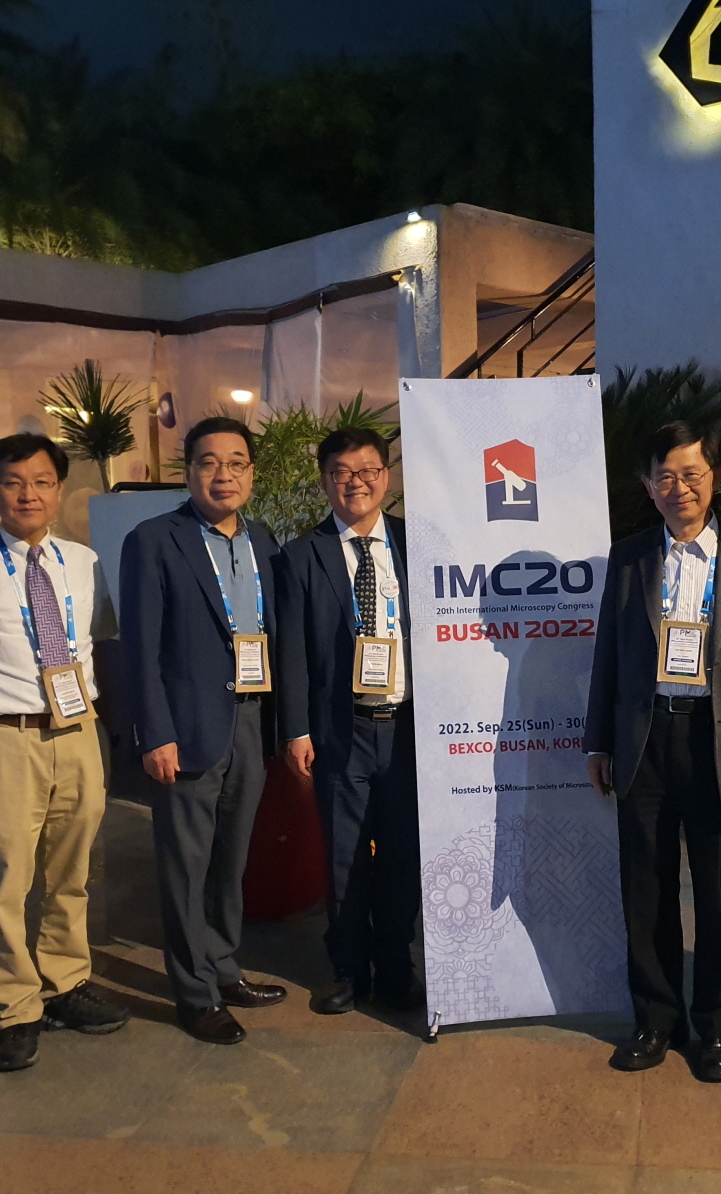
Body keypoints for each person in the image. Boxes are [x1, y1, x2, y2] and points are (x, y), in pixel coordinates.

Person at [0, 433, 131, 1073]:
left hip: (78, 732)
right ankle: (15, 1008)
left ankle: (66, 983)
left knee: (73, 873)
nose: (28, 494)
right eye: (13, 482)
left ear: (60, 490)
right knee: (5, 882)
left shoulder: (84, 562)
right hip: (2, 738)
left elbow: (98, 648)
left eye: (41, 482)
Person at [585, 421, 721, 1081]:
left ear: (713, 477)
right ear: (648, 486)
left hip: (718, 739)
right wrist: (597, 742)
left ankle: (719, 1029)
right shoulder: (629, 557)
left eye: (691, 474)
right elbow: (608, 655)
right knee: (646, 887)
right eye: (664, 477)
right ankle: (655, 1020)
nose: (679, 488)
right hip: (644, 740)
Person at [121, 416, 288, 1045]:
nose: (224, 474)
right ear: (188, 472)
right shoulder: (154, 540)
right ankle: (194, 994)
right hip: (186, 727)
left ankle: (222, 965)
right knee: (185, 867)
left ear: (252, 473)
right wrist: (154, 732)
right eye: (209, 462)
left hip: (251, 719)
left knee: (231, 858)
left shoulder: (263, 539)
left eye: (237, 462)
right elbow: (140, 648)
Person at [275, 427, 420, 1016]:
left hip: (408, 728)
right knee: (345, 857)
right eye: (341, 473)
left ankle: (396, 965)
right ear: (325, 481)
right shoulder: (300, 555)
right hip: (342, 728)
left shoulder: (415, 544)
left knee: (403, 854)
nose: (355, 483)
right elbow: (291, 651)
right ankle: (347, 969)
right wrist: (296, 729)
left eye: (367, 471)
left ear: (385, 476)